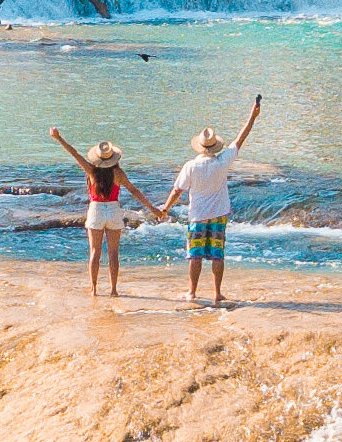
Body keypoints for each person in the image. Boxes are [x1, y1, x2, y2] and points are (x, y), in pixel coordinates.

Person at [163, 96, 263, 307]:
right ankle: (217, 293)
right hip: (218, 214)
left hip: (197, 216)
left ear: (199, 146)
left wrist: (165, 208)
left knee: (195, 255)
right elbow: (240, 138)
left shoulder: (191, 166)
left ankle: (192, 292)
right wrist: (252, 117)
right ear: (215, 146)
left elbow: (177, 190)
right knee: (218, 254)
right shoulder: (222, 161)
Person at [48, 127, 142, 296]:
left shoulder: (92, 171)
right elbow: (134, 191)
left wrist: (58, 138)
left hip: (96, 210)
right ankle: (113, 290)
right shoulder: (118, 173)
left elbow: (74, 154)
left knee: (94, 252)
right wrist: (154, 209)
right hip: (113, 210)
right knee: (113, 253)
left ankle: (94, 289)